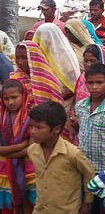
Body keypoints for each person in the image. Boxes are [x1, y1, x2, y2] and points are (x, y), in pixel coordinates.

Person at [27, 101, 95, 214]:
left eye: (39, 127)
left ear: (56, 129)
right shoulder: (32, 151)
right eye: (31, 126)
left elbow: (90, 174)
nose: (32, 131)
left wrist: (87, 204)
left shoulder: (72, 154)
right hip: (40, 210)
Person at [74, 63, 105, 212]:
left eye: (99, 82)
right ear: (85, 83)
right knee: (88, 206)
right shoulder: (80, 106)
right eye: (91, 83)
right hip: (85, 168)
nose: (94, 87)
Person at [0, 80, 36, 213]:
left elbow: (31, 150)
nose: (10, 102)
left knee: (30, 204)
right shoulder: (1, 117)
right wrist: (19, 146)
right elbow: (25, 148)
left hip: (29, 170)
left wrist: (5, 152)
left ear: (23, 95)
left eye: (14, 97)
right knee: (8, 205)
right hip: (4, 170)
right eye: (6, 99)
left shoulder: (32, 117)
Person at [10, 41, 63, 106]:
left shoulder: (47, 80)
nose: (20, 62)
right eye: (17, 58)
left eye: (24, 58)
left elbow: (56, 105)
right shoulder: (14, 79)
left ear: (34, 57)